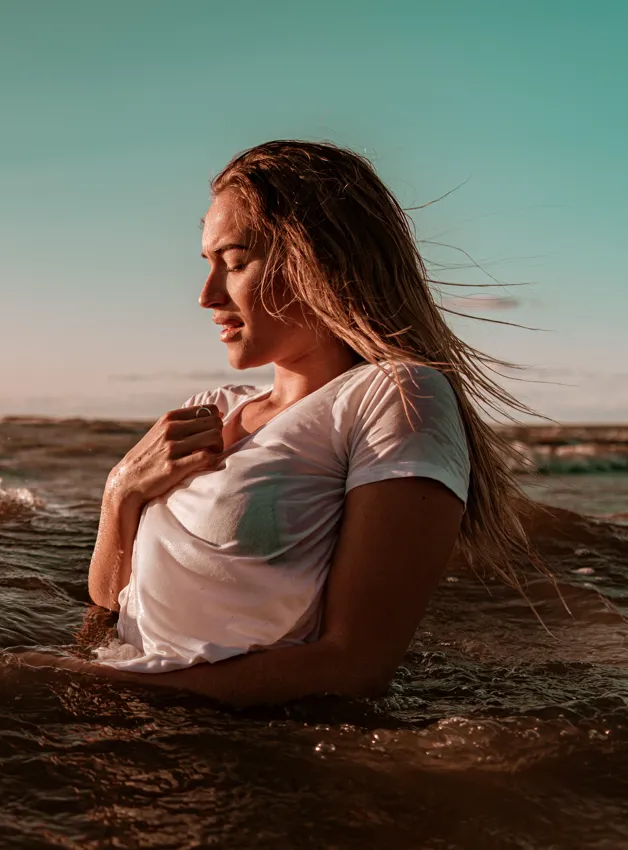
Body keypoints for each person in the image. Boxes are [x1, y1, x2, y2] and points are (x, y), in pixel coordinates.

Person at [65, 140, 540, 705]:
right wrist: (121, 493)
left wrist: (92, 684)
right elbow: (115, 602)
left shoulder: (395, 396)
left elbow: (355, 668)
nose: (206, 295)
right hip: (135, 715)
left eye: (236, 262)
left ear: (319, 258)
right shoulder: (213, 406)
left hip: (239, 751)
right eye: (209, 264)